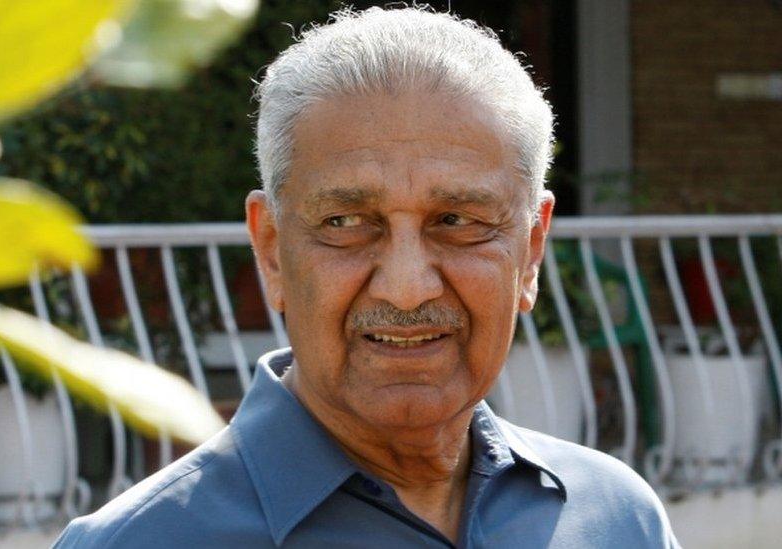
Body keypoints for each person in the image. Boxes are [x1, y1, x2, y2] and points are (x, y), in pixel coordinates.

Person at [54, 6, 680, 548]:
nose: (407, 287)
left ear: (532, 249)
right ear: (271, 250)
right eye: (347, 221)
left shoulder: (616, 520)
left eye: (457, 220)